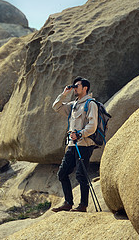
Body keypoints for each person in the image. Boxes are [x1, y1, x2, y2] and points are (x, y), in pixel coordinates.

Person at [50, 77, 98, 213]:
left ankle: (83, 205)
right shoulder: (74, 105)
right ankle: (68, 203)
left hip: (84, 145)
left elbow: (92, 126)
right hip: (72, 145)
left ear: (85, 88)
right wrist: (64, 93)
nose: (75, 88)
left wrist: (80, 134)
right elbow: (56, 106)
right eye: (74, 86)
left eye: (77, 86)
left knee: (81, 175)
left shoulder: (90, 104)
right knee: (62, 173)